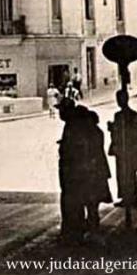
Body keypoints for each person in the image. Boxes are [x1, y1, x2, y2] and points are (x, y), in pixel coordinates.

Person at [56, 99, 88, 243]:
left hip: (72, 169)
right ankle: (75, 228)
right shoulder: (74, 124)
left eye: (61, 110)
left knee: (71, 199)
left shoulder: (72, 126)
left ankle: (72, 230)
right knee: (74, 199)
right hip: (74, 169)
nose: (59, 113)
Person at [108, 90, 137, 209]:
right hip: (127, 148)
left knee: (125, 174)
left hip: (125, 148)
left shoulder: (121, 115)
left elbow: (123, 132)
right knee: (127, 174)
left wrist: (112, 128)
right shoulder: (131, 114)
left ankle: (129, 198)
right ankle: (129, 198)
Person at [82, 108, 112, 235]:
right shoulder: (97, 131)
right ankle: (92, 219)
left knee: (91, 195)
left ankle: (92, 220)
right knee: (94, 197)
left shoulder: (92, 133)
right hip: (99, 166)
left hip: (94, 167)